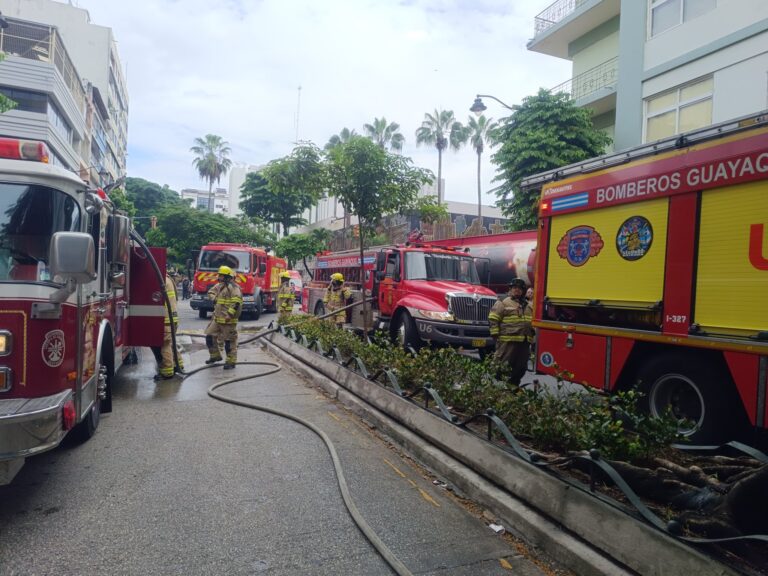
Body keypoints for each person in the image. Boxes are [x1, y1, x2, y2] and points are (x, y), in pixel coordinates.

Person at [488, 278, 534, 386]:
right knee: (502, 366)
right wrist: (495, 335)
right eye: (514, 288)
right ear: (510, 289)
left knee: (521, 367)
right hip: (507, 342)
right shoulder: (503, 302)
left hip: (524, 342)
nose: (516, 290)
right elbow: (493, 318)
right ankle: (498, 388)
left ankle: (513, 386)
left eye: (519, 288)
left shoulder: (528, 305)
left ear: (523, 291)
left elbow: (532, 322)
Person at [205, 265, 243, 370]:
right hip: (217, 319)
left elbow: (236, 302)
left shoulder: (234, 287)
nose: (219, 277)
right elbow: (210, 292)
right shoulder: (220, 286)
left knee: (229, 341)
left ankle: (231, 361)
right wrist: (214, 299)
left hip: (228, 321)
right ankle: (215, 356)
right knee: (209, 335)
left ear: (227, 276)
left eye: (221, 275)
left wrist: (229, 315)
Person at [151, 274, 184, 380]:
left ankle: (167, 372)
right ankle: (178, 365)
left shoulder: (161, 279)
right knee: (170, 343)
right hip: (172, 318)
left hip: (165, 319)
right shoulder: (168, 278)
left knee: (164, 344)